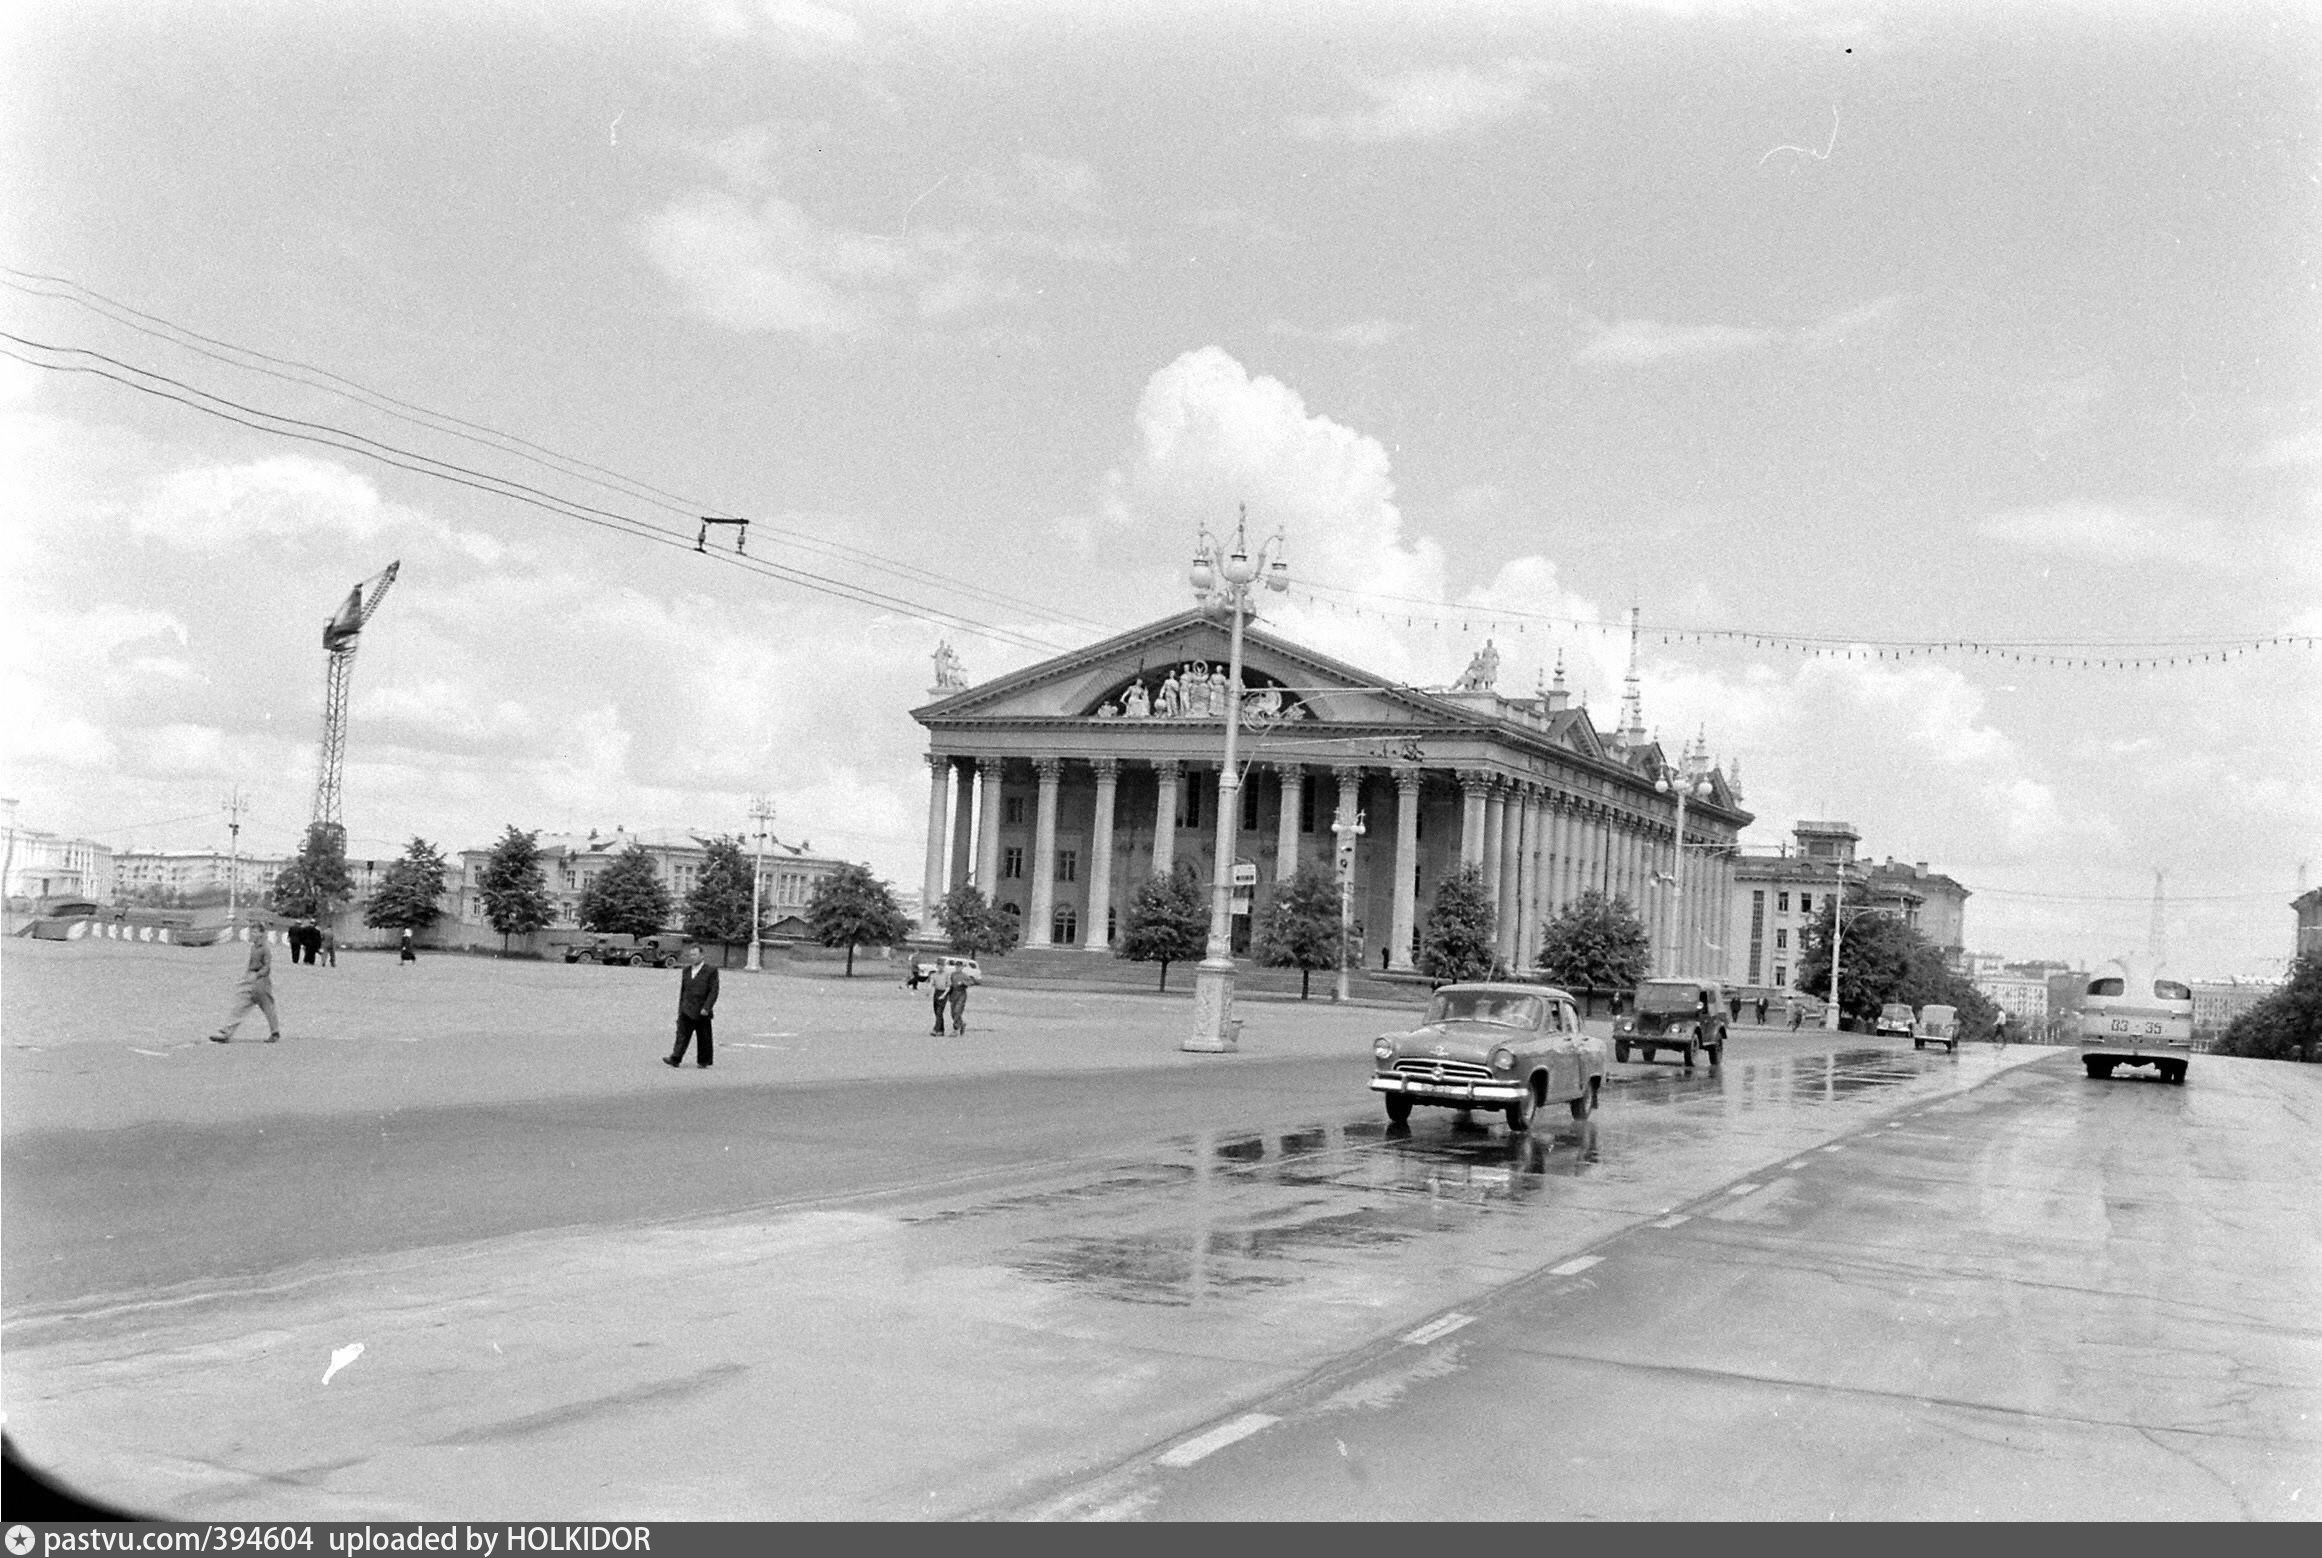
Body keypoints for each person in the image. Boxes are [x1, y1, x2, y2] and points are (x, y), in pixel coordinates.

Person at [208, 925, 281, 1044]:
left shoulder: (265, 949)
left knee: (268, 1007)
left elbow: (267, 967)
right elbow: (251, 964)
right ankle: (226, 1032)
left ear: (261, 934)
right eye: (251, 932)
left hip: (261, 981)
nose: (252, 934)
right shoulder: (253, 948)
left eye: (255, 932)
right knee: (241, 1005)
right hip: (251, 979)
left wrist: (257, 975)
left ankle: (275, 1032)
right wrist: (245, 978)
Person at [664, 943, 720, 1068]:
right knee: (681, 1034)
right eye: (691, 955)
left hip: (702, 1009)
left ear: (701, 956)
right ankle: (675, 1058)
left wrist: (707, 1007)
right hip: (687, 1008)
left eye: (695, 955)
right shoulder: (686, 970)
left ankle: (703, 1061)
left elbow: (714, 991)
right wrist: (680, 1009)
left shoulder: (711, 971)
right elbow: (683, 991)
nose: (692, 957)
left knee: (704, 1036)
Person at [943, 961, 970, 1036]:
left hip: (961, 994)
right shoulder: (953, 974)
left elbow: (970, 982)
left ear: (962, 967)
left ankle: (955, 1030)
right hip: (953, 994)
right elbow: (949, 985)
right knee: (953, 1013)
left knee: (957, 1011)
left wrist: (964, 983)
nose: (958, 968)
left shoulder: (964, 975)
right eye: (956, 966)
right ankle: (961, 1023)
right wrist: (947, 995)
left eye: (959, 966)